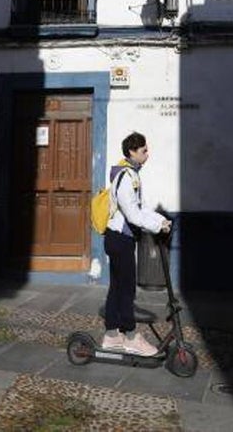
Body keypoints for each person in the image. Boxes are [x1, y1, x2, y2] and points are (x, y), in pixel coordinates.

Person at [102, 131, 171, 355]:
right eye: (143, 151)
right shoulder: (126, 177)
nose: (147, 154)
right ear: (132, 152)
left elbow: (141, 208)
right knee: (126, 288)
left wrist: (160, 220)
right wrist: (156, 227)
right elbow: (133, 215)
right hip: (120, 239)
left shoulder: (131, 174)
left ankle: (112, 335)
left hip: (119, 238)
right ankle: (130, 336)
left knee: (117, 287)